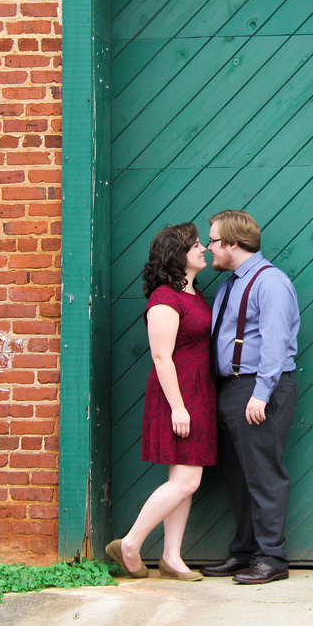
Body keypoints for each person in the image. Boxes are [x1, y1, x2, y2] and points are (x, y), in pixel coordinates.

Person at [105, 222, 216, 581]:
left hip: (198, 393)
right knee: (186, 481)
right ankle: (131, 544)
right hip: (178, 395)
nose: (204, 249)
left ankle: (171, 556)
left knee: (182, 478)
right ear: (176, 254)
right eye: (196, 245)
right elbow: (161, 357)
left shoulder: (193, 295)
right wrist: (179, 406)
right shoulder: (165, 298)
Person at [200, 210, 300, 584]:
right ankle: (244, 552)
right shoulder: (230, 284)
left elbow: (275, 343)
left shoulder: (269, 283)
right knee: (239, 475)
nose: (209, 247)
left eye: (212, 240)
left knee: (264, 474)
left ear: (233, 243)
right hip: (231, 388)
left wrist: (261, 394)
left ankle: (272, 558)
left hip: (259, 389)